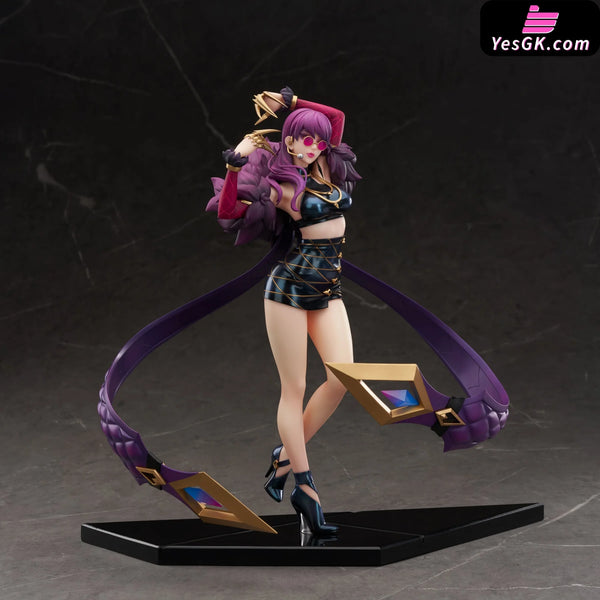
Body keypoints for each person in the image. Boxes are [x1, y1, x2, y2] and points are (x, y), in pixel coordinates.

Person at [207, 87, 360, 536]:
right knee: (294, 388)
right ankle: (305, 487)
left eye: (317, 142)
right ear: (288, 142)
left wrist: (291, 103)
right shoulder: (282, 185)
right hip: (288, 289)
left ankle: (285, 458)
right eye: (302, 140)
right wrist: (234, 166)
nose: (311, 147)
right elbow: (231, 210)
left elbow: (336, 115)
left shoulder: (326, 168)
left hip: (329, 288)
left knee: (343, 378)